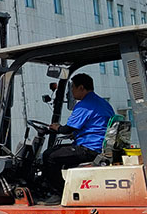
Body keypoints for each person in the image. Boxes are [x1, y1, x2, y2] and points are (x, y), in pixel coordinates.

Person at [41, 73, 114, 203]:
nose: (72, 91)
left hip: (90, 148)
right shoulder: (103, 103)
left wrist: (56, 128)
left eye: (73, 88)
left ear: (81, 88)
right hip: (97, 145)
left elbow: (67, 129)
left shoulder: (85, 105)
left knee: (49, 156)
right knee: (58, 150)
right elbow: (94, 126)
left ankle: (59, 193)